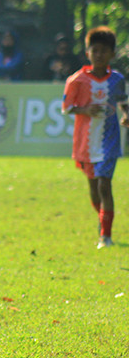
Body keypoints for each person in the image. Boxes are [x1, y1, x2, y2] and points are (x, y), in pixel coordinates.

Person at [61, 26, 129, 249]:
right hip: (86, 141)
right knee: (93, 188)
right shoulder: (76, 80)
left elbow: (122, 101)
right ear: (88, 53)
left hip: (109, 140)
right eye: (95, 50)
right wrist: (84, 110)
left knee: (104, 185)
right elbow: (66, 107)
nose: (99, 55)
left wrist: (126, 115)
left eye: (104, 51)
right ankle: (102, 221)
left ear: (112, 54)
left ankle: (105, 237)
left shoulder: (117, 79)